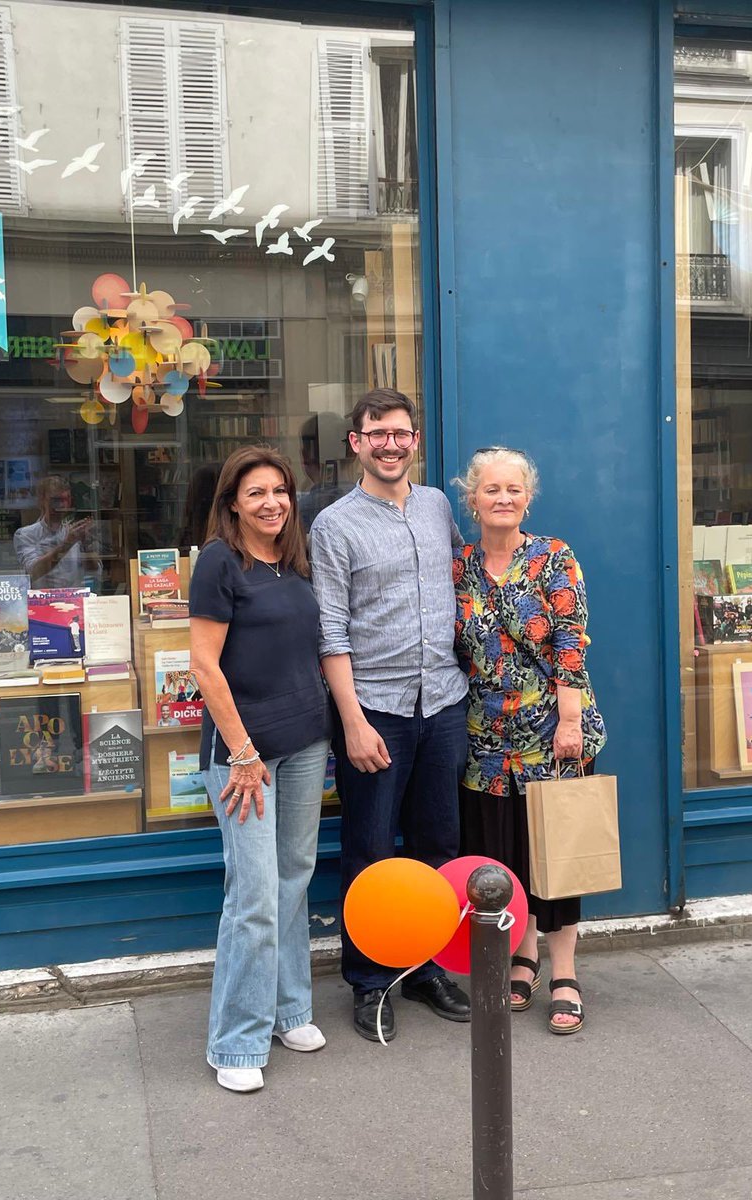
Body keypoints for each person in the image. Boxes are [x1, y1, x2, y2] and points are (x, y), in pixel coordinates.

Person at [309, 388, 470, 1043]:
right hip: (376, 710)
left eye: (401, 433)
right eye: (377, 434)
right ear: (357, 443)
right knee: (370, 852)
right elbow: (330, 629)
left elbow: (464, 583)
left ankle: (426, 967)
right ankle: (371, 981)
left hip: (445, 704)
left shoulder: (437, 506)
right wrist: (351, 722)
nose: (390, 445)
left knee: (438, 846)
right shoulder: (334, 525)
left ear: (415, 441)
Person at [190, 445, 331, 1093]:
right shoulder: (220, 562)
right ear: (232, 503)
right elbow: (203, 666)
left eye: (280, 491)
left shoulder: (294, 560)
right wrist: (243, 752)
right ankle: (237, 1042)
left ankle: (289, 1010)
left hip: (304, 743)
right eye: (256, 493)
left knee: (292, 879)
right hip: (244, 755)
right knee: (252, 896)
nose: (272, 503)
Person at [452, 447, 607, 1036]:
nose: (503, 498)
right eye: (492, 489)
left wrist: (569, 721)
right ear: (473, 500)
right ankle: (523, 956)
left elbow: (571, 639)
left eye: (513, 489)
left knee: (556, 856)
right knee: (505, 855)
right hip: (486, 739)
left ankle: (564, 972)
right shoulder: (459, 567)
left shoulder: (553, 557)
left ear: (528, 497)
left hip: (552, 733)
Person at [13, 475, 93, 586]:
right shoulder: (26, 534)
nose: (62, 505)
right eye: (55, 500)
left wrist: (86, 545)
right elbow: (33, 572)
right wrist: (66, 544)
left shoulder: (74, 532)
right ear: (42, 500)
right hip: (42, 596)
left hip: (74, 595)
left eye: (66, 500)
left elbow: (94, 572)